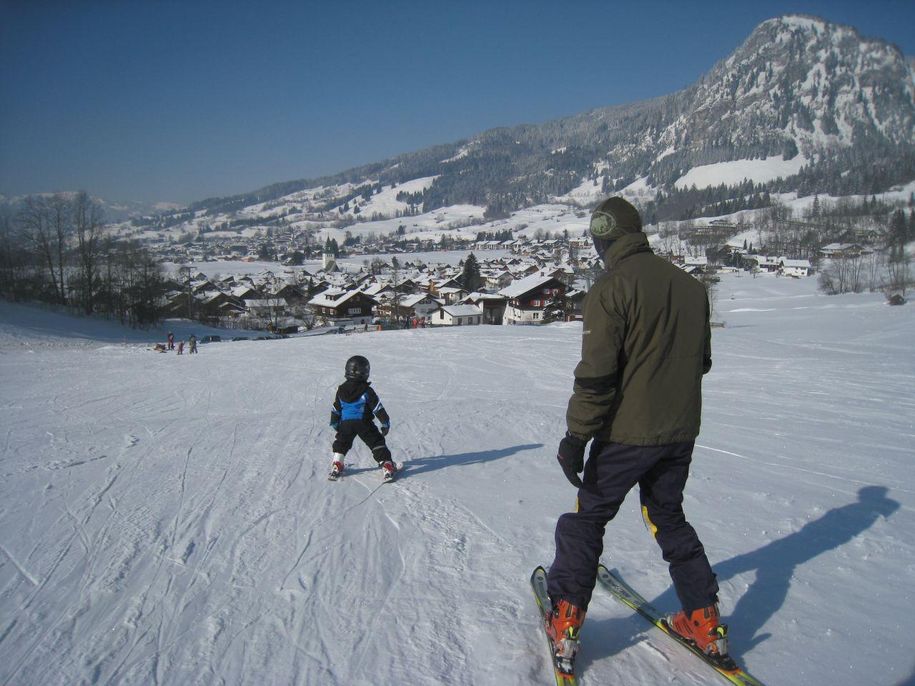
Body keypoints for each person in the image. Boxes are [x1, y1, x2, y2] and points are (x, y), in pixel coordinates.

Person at [544, 197, 725, 667]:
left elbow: (597, 376)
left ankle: (565, 617)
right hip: (680, 430)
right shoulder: (690, 287)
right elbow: (701, 363)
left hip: (627, 434)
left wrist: (575, 437)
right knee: (668, 517)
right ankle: (704, 620)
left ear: (604, 236)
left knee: (587, 519)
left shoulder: (610, 289)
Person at [329, 355, 395, 480]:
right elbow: (377, 408)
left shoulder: (341, 389)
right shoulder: (367, 390)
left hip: (346, 424)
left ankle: (337, 463)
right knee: (376, 442)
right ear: (365, 373)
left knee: (342, 442)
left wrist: (334, 423)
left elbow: (336, 408)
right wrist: (385, 423)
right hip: (363, 423)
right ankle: (386, 464)